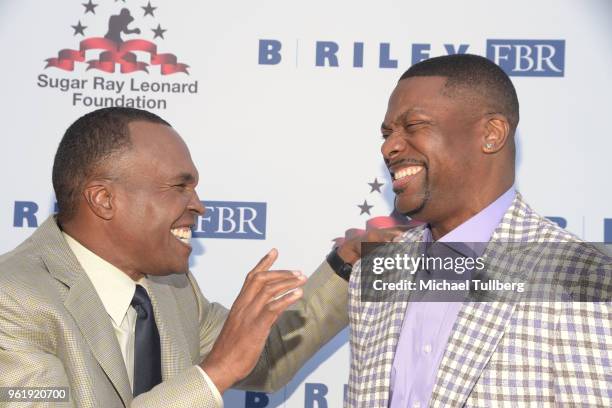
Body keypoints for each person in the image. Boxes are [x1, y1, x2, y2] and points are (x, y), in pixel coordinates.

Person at [0, 107, 369, 407]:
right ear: (104, 199)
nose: (199, 206)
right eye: (179, 186)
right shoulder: (11, 298)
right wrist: (214, 374)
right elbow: (222, 368)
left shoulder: (171, 288)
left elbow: (266, 359)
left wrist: (346, 261)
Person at [346, 54, 611, 407]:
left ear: (491, 134)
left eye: (414, 126)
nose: (388, 147)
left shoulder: (584, 279)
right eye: (387, 133)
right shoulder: (376, 270)